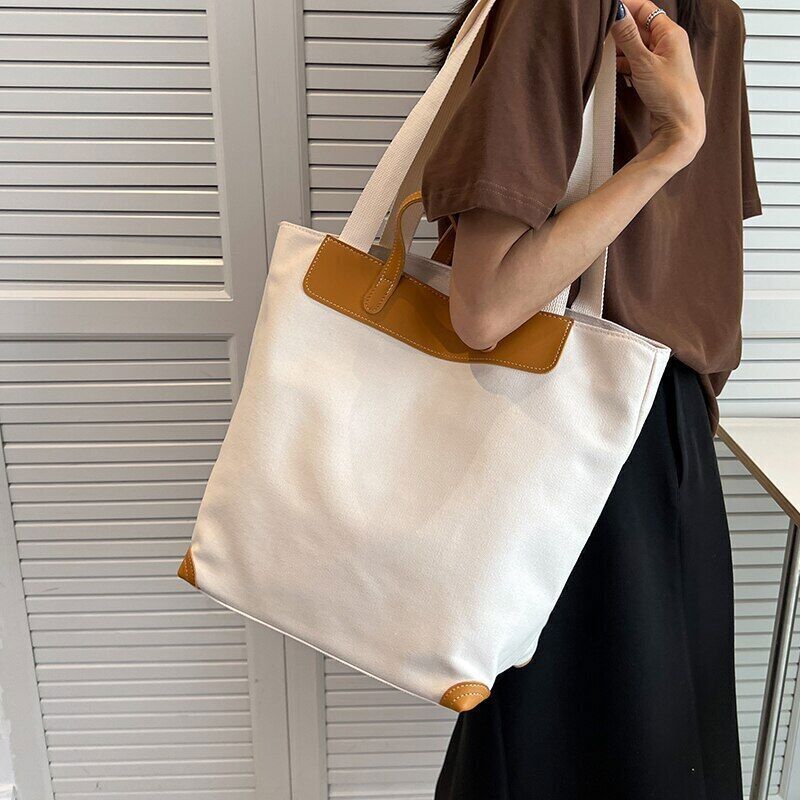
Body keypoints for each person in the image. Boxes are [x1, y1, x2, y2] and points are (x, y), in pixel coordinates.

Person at [421, 1, 762, 797]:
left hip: (595, 442)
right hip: (651, 435)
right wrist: (674, 146)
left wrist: (674, 145)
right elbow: (488, 307)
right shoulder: (708, 15)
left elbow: (484, 310)